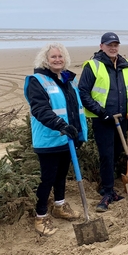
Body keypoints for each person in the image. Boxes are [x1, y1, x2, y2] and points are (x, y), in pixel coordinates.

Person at [24, 43, 88, 236]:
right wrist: (61, 125)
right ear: (46, 59)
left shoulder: (68, 79)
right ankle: (41, 216)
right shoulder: (38, 81)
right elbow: (40, 110)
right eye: (53, 57)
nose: (58, 59)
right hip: (49, 140)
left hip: (68, 139)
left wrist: (77, 132)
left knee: (61, 176)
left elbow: (74, 108)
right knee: (48, 178)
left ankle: (59, 206)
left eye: (61, 56)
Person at [78, 32, 128, 212]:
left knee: (117, 153)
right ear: (102, 46)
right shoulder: (93, 66)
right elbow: (83, 93)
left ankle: (106, 186)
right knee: (107, 155)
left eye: (116, 44)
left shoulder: (125, 66)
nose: (113, 47)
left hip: (121, 118)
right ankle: (108, 191)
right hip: (104, 120)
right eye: (109, 44)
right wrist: (102, 113)